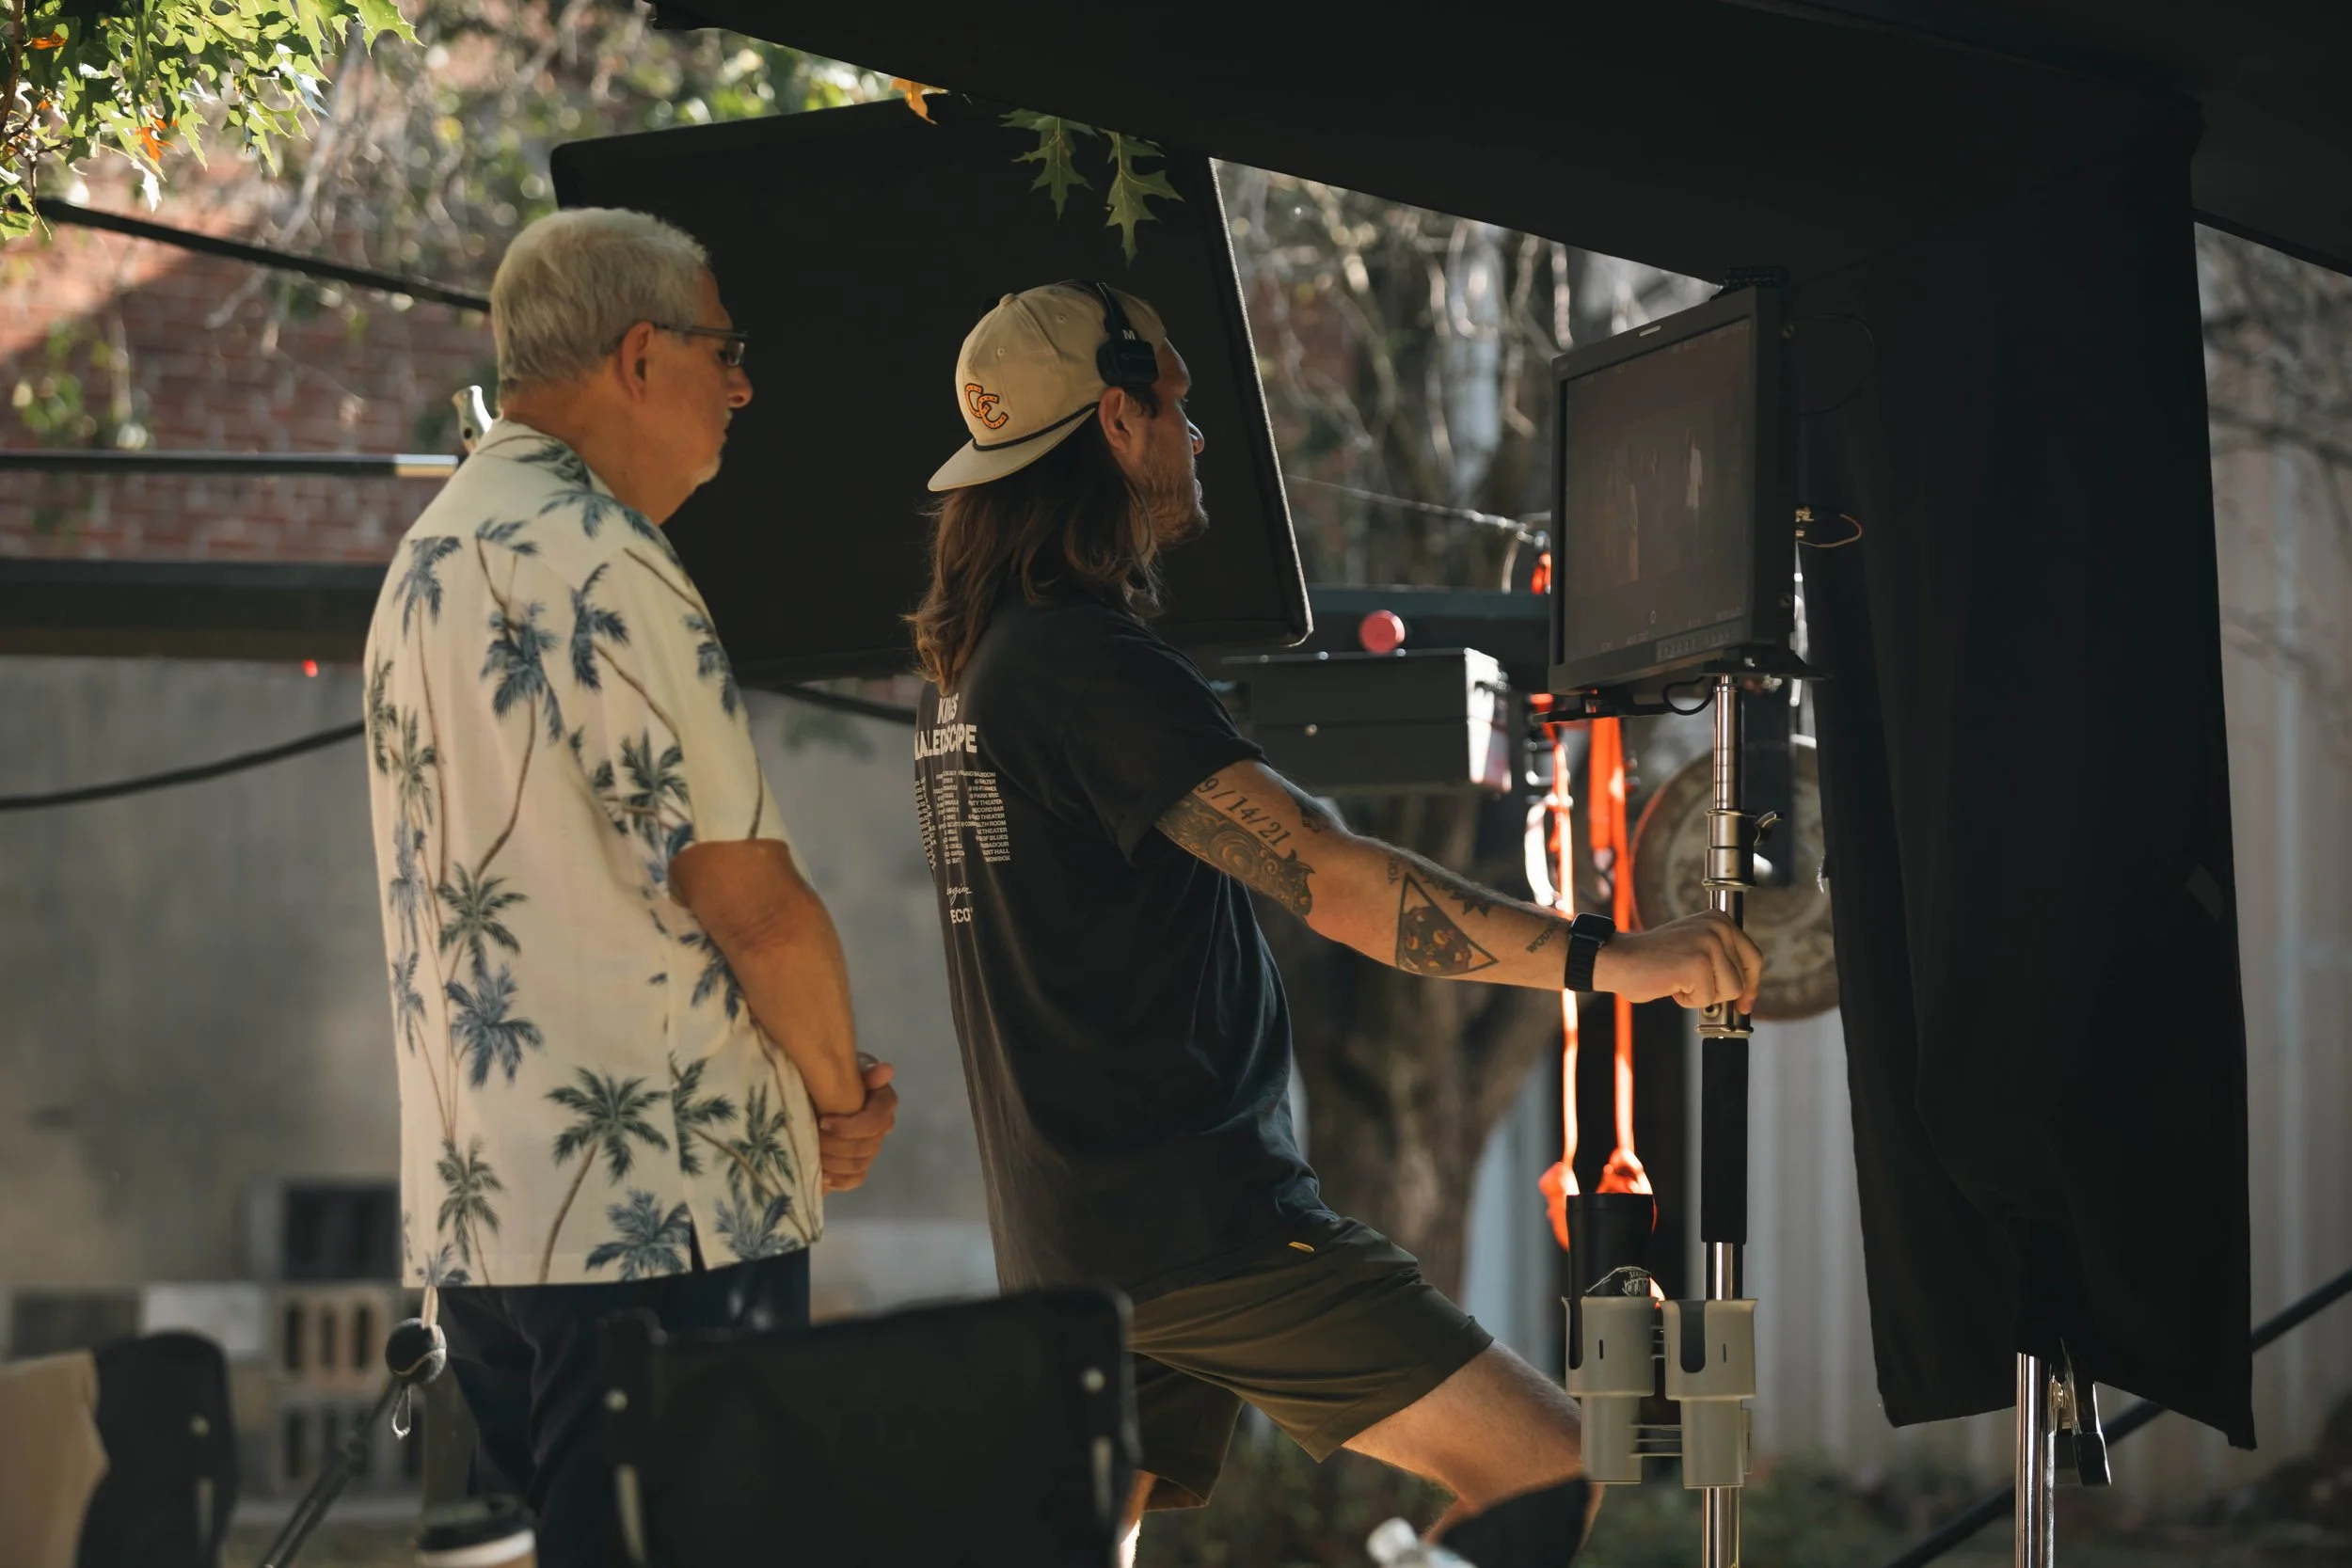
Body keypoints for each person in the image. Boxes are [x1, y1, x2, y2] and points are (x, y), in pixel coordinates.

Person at [910, 282, 1764, 1562]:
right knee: (1547, 1462)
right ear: (1117, 420)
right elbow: (1336, 879)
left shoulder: (978, 674)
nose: (1198, 434)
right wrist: (1614, 960)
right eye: (1178, 406)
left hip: (1075, 1238)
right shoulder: (1085, 665)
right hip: (1205, 1227)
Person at [362, 208, 897, 1564]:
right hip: (660, 1211)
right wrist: (840, 1098)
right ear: (642, 355)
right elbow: (752, 901)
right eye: (726, 349)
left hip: (491, 1218)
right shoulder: (600, 554)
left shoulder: (428, 556)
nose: (744, 387)